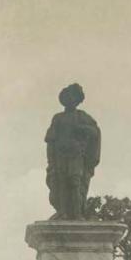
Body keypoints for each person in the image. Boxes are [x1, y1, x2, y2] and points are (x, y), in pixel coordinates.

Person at [45, 83, 101, 220]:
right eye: (68, 97)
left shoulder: (82, 117)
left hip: (77, 155)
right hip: (60, 155)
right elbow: (50, 141)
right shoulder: (58, 118)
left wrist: (83, 129)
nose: (71, 100)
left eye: (73, 97)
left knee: (75, 182)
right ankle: (63, 212)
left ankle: (77, 213)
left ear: (77, 100)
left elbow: (95, 132)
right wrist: (51, 162)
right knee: (61, 182)